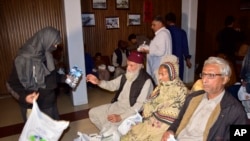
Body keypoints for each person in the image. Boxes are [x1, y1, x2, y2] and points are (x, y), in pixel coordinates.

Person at [161, 56, 248, 141]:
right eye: (203, 74)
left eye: (211, 75)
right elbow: (179, 120)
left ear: (224, 79)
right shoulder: (193, 98)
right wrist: (170, 131)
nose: (204, 80)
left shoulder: (234, 109)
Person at [121, 55, 189, 141]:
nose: (159, 78)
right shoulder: (161, 86)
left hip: (166, 125)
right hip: (153, 118)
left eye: (162, 74)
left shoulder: (180, 90)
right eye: (159, 74)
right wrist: (150, 109)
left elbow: (176, 111)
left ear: (172, 74)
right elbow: (151, 101)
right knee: (131, 135)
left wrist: (154, 109)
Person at [86, 51, 155, 132]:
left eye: (131, 65)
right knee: (93, 113)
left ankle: (110, 133)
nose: (128, 68)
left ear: (140, 66)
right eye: (127, 64)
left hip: (130, 112)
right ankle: (109, 133)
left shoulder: (146, 81)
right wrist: (98, 82)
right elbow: (112, 85)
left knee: (108, 126)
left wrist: (120, 117)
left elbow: (140, 105)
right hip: (117, 105)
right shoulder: (126, 75)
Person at [6, 26, 63, 121]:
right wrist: (24, 97)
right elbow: (11, 84)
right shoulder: (22, 60)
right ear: (45, 40)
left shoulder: (47, 54)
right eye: (54, 44)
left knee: (52, 133)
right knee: (38, 135)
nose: (56, 47)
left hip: (49, 104)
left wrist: (65, 78)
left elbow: (52, 76)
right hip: (33, 106)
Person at [139, 15, 172, 84]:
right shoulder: (163, 33)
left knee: (159, 85)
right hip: (159, 66)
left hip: (159, 66)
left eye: (154, 25)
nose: (152, 27)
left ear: (160, 24)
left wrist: (148, 51)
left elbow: (161, 52)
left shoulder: (162, 34)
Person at [165, 12, 192, 80]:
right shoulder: (182, 32)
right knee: (179, 79)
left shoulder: (165, 32)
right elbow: (185, 47)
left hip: (168, 59)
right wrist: (188, 60)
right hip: (179, 59)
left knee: (169, 77)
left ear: (167, 21)